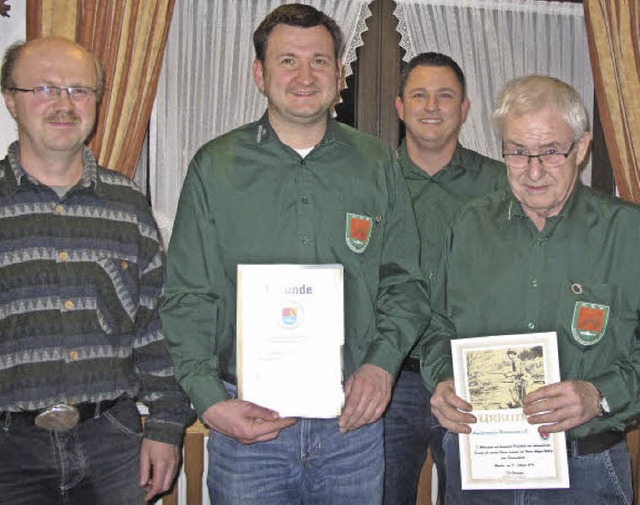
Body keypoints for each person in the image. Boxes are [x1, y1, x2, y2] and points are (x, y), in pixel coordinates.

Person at [160, 4, 431, 504]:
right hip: (247, 426)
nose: (305, 75)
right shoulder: (214, 168)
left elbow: (405, 283)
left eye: (320, 61)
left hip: (352, 426)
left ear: (338, 74)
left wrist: (381, 365)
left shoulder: (376, 164)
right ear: (259, 74)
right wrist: (209, 401)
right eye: (288, 61)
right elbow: (187, 296)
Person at [425, 74, 638, 503]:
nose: (534, 170)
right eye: (518, 152)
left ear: (581, 148)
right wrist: (443, 379)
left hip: (586, 469)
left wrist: (599, 395)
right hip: (477, 464)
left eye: (551, 152)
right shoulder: (467, 226)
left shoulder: (629, 233)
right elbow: (436, 326)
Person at [0, 37, 194, 504]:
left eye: (80, 90)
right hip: (9, 452)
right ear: (11, 100)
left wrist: (166, 428)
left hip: (113, 443)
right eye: (45, 88)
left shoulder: (127, 206)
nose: (65, 104)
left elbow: (156, 328)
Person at [384, 52, 506, 505]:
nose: (431, 106)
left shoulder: (502, 184)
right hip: (388, 380)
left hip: (475, 376)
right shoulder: (373, 179)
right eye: (419, 95)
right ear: (400, 107)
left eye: (445, 96)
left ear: (465, 108)